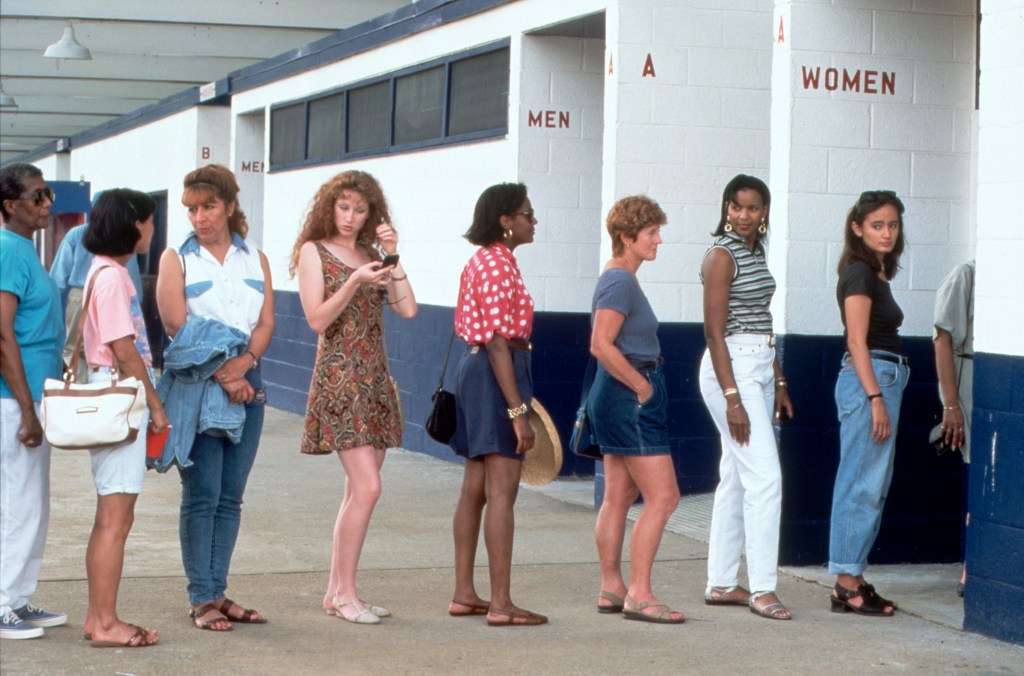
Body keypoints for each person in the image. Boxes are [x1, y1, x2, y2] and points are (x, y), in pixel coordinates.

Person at [292, 170, 416, 625]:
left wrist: (393, 256)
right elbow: (317, 319)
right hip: (340, 377)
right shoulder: (314, 251)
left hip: (375, 377)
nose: (350, 217)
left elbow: (408, 308)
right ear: (330, 207)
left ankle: (336, 591)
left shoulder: (372, 253)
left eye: (359, 209)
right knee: (368, 487)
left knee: (355, 491)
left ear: (372, 213)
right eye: (343, 207)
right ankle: (346, 594)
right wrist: (355, 281)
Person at [156, 164, 274, 631]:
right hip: (198, 384)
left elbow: (265, 324)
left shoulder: (255, 259)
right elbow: (175, 327)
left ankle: (218, 591)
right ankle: (200, 598)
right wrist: (226, 374)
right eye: (191, 209)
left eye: (208, 206)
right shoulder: (177, 258)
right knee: (201, 494)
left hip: (248, 379)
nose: (199, 217)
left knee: (231, 496)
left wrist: (244, 365)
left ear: (228, 205)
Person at [447, 183, 546, 627]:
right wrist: (517, 413)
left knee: (476, 486)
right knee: (502, 490)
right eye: (526, 213)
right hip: (496, 374)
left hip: (480, 373)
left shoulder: (489, 262)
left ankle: (465, 593)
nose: (533, 220)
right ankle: (501, 603)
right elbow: (500, 344)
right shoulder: (495, 265)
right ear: (505, 221)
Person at [698, 175, 793, 621]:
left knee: (737, 476)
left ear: (764, 212)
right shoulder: (721, 255)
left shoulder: (755, 252)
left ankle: (720, 582)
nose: (743, 215)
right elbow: (715, 332)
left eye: (752, 208)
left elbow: (761, 318)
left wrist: (779, 380)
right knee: (766, 478)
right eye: (736, 207)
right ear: (726, 207)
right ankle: (763, 589)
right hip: (729, 370)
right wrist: (733, 397)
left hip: (757, 365)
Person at [588, 195, 685, 624]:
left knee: (619, 495)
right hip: (630, 393)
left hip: (618, 393)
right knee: (664, 497)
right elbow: (600, 344)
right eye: (651, 233)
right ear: (626, 237)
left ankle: (613, 587)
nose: (658, 240)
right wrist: (643, 386)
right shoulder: (620, 281)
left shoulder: (620, 277)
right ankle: (640, 594)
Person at [79, 189, 168, 648]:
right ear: (133, 223)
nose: (152, 229)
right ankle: (107, 623)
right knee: (117, 517)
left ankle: (98, 617)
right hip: (119, 395)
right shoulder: (113, 277)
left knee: (110, 516)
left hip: (111, 390)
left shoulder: (105, 271)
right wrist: (153, 403)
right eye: (150, 221)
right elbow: (123, 347)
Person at [829, 190, 909, 616]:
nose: (887, 233)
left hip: (882, 378)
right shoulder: (859, 273)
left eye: (893, 225)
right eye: (877, 225)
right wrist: (875, 397)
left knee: (871, 483)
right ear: (858, 228)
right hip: (871, 380)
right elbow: (856, 340)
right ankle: (845, 581)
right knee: (860, 482)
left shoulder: (875, 272)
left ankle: (853, 575)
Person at [0, 163, 67, 640]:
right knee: (17, 504)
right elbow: (3, 336)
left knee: (33, 504)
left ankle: (18, 598)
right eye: (38, 196)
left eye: (48, 194)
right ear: (10, 205)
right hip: (12, 401)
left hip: (35, 397)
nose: (47, 204)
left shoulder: (26, 250)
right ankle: (3, 602)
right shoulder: (7, 251)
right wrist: (26, 408)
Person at [50, 220, 144, 384]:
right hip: (113, 293)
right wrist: (135, 304)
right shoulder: (124, 234)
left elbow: (58, 274)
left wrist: (52, 303)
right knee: (109, 351)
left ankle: (76, 391)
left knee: (74, 349)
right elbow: (132, 274)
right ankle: (101, 390)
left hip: (80, 294)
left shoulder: (77, 233)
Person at [932, 260, 975, 596]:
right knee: (974, 472)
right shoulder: (965, 275)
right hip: (968, 383)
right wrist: (951, 403)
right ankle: (969, 567)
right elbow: (942, 339)